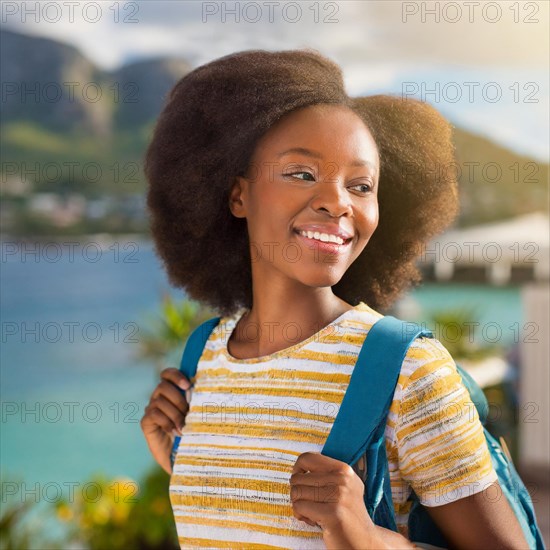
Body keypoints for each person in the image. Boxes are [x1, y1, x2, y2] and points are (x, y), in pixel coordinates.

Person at [140, 49, 528, 549]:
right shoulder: (203, 355)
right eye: (302, 173)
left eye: (361, 185)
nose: (338, 201)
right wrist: (173, 453)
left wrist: (367, 539)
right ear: (238, 195)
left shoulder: (408, 370)